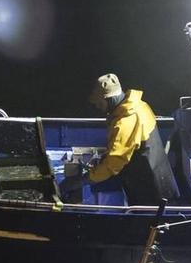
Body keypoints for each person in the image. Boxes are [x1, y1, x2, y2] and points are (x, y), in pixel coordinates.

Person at [68, 72, 180, 208]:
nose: (97, 107)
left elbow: (113, 164)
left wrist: (82, 181)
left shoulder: (125, 121)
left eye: (99, 103)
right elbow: (128, 146)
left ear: (108, 99)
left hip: (150, 192)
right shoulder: (139, 105)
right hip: (161, 178)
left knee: (147, 225)